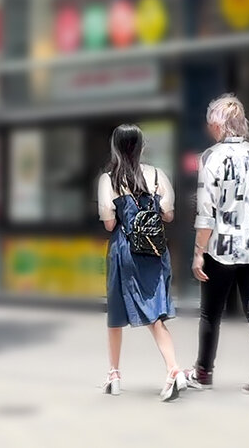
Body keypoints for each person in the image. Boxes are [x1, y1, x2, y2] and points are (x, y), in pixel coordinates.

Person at [185, 94, 249, 395]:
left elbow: (206, 212)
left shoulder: (210, 157)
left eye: (211, 122)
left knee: (210, 313)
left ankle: (203, 373)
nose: (209, 128)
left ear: (218, 124)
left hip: (221, 246)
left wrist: (198, 253)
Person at [97, 124, 186, 401]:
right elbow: (168, 215)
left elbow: (109, 222)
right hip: (154, 251)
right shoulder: (158, 175)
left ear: (115, 147)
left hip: (124, 251)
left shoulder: (109, 179)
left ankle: (114, 374)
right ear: (141, 146)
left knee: (115, 311)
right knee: (155, 312)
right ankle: (173, 369)